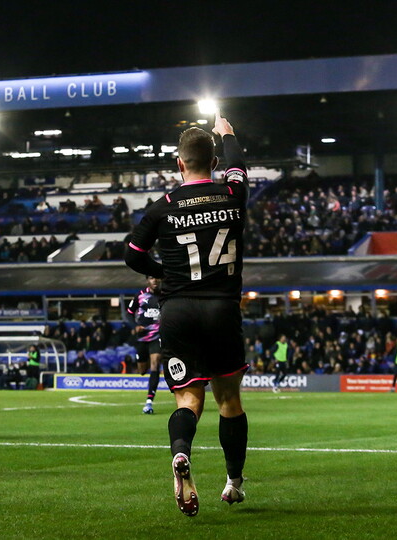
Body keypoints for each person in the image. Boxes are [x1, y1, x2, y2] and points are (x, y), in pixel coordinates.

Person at [125, 112, 249, 516]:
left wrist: (165, 274)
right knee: (229, 399)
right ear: (213, 164)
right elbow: (238, 167)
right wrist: (227, 134)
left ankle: (181, 453)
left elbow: (133, 254)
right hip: (221, 308)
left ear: (179, 164)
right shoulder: (232, 194)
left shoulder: (163, 208)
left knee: (187, 398)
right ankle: (233, 483)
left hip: (177, 310)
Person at [125, 276, 162, 414]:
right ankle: (143, 366)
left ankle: (149, 402)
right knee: (142, 370)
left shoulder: (165, 296)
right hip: (141, 338)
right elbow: (129, 313)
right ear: (148, 280)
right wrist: (135, 326)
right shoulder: (140, 295)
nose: (155, 281)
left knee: (156, 363)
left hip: (157, 336)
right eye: (152, 278)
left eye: (157, 278)